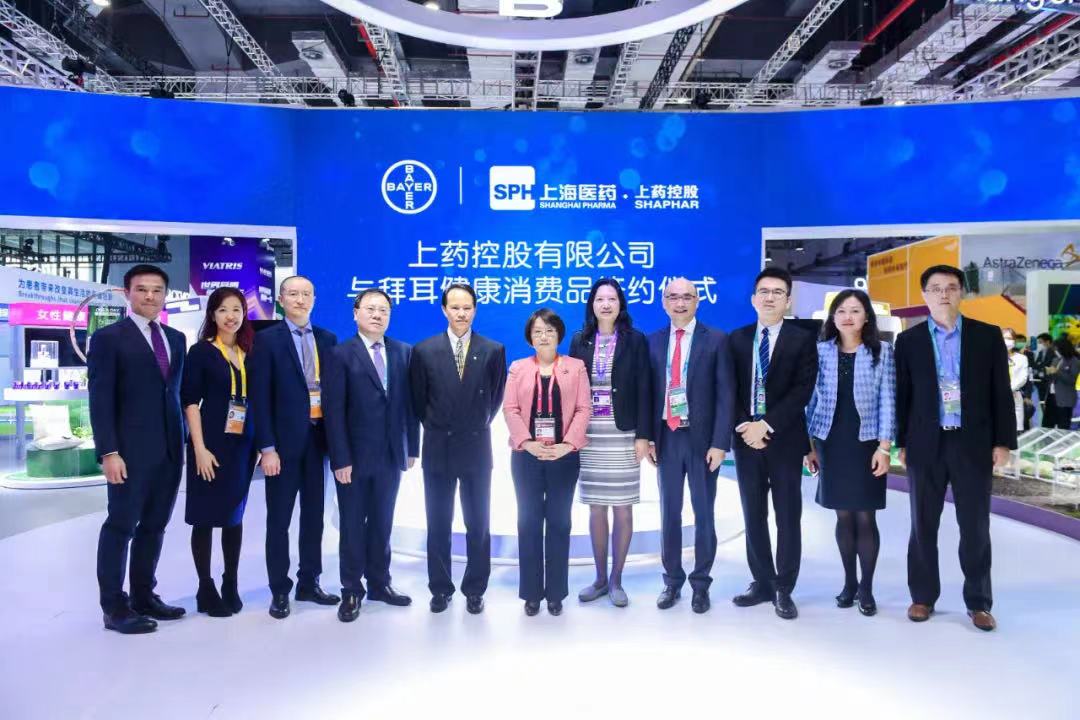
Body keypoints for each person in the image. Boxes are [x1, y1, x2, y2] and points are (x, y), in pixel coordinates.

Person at [895, 264, 1016, 632]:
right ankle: (922, 597)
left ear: (962, 292)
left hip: (972, 443)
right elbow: (903, 395)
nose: (943, 294)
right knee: (922, 524)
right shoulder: (909, 341)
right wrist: (901, 441)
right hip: (925, 443)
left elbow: (1000, 392)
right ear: (924, 295)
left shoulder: (986, 335)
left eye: (950, 287)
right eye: (935, 288)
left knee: (975, 526)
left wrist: (1003, 441)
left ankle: (979, 602)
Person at [90, 264, 187, 634]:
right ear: (127, 292)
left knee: (155, 526)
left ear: (165, 295)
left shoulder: (176, 338)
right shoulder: (109, 338)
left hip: (169, 450)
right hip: (128, 452)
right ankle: (115, 607)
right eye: (142, 289)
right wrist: (108, 451)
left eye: (157, 290)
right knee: (120, 526)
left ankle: (144, 595)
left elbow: (173, 393)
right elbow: (100, 398)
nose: (150, 296)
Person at [409, 283, 507, 614]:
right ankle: (440, 588)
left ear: (475, 310)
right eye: (455, 307)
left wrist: (474, 423)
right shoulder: (424, 350)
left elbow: (495, 399)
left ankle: (475, 588)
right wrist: (440, 425)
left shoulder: (493, 350)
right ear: (444, 310)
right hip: (438, 446)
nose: (461, 313)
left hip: (477, 446)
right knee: (438, 522)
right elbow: (419, 402)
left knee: (478, 523)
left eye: (467, 308)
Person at [324, 289, 420, 622]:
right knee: (352, 525)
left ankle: (380, 583)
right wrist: (340, 458)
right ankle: (351, 590)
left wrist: (412, 448)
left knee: (382, 522)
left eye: (383, 310)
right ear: (356, 313)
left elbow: (410, 405)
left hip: (391, 454)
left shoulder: (403, 352)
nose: (377, 315)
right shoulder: (340, 354)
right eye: (370, 309)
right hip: (353, 458)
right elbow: (333, 412)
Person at [728, 267, 817, 620]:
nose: (769, 297)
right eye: (764, 291)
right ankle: (762, 582)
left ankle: (784, 587)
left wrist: (766, 425)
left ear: (788, 300)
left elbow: (802, 390)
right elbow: (729, 389)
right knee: (753, 514)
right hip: (745, 440)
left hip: (785, 440)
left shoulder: (802, 339)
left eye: (777, 292)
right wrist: (745, 426)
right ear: (753, 299)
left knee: (787, 516)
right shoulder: (737, 339)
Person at [251, 276, 339, 619]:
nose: (300, 300)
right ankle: (279, 589)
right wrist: (267, 447)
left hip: (318, 442)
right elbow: (260, 398)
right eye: (293, 294)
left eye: (306, 294)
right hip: (282, 447)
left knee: (314, 517)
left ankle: (309, 581)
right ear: (281, 298)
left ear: (314, 298)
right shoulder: (266, 340)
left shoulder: (328, 340)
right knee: (279, 520)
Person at [646, 278, 735, 614]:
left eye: (687, 297)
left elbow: (726, 395)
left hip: (702, 442)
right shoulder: (653, 341)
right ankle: (672, 581)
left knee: (703, 514)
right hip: (666, 438)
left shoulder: (717, 340)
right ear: (663, 302)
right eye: (673, 297)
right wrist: (648, 436)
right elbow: (646, 393)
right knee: (669, 512)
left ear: (698, 301)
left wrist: (720, 443)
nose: (680, 303)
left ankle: (700, 584)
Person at [805, 289, 895, 617]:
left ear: (866, 317)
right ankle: (849, 583)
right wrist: (808, 445)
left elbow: (888, 400)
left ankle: (867, 587)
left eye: (855, 311)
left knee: (865, 515)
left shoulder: (882, 351)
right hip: (830, 440)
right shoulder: (819, 351)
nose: (847, 317)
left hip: (867, 442)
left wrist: (884, 447)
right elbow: (809, 399)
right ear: (833, 316)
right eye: (841, 311)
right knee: (842, 515)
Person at [568, 279, 652, 607]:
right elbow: (572, 389)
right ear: (592, 304)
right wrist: (571, 433)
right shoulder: (580, 340)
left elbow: (645, 388)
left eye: (612, 299)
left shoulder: (635, 340)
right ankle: (600, 578)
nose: (606, 304)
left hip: (623, 433)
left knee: (623, 506)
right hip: (590, 434)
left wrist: (643, 436)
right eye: (600, 299)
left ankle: (617, 579)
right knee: (596, 506)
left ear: (620, 304)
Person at [504, 309, 591, 616]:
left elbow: (583, 409)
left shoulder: (575, 367)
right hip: (526, 457)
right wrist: (527, 443)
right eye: (538, 331)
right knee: (528, 522)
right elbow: (510, 409)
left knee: (559, 522)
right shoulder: (518, 368)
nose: (544, 336)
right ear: (530, 337)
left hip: (563, 457)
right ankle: (531, 593)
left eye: (550, 331)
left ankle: (555, 593)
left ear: (559, 335)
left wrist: (567, 445)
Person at [181, 287, 257, 617]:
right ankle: (205, 586)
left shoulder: (249, 351)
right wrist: (198, 448)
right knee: (205, 517)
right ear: (212, 314)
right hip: (210, 444)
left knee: (233, 516)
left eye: (237, 309)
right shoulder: (201, 352)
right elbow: (190, 402)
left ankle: (230, 582)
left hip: (242, 447)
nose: (231, 316)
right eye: (224, 309)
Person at [1043, 336, 1079, 430]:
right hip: (1051, 395)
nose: (1055, 351)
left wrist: (1057, 372)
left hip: (1065, 398)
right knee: (1047, 423)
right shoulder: (1056, 360)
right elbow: (1051, 377)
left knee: (1063, 424)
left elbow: (1072, 380)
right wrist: (1048, 372)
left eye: (1057, 349)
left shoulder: (1074, 362)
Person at [1002, 328, 1029, 434]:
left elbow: (1023, 378)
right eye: (1004, 338)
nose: (1007, 341)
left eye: (1009, 338)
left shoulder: (1022, 358)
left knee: (1015, 430)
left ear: (1014, 341)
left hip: (1014, 394)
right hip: (996, 396)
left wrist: (1008, 390)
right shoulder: (993, 357)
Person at [1032, 332, 1054, 424]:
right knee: (1041, 401)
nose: (1039, 345)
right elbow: (1036, 364)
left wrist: (1041, 367)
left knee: (1048, 401)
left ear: (1047, 342)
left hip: (1049, 380)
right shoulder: (1041, 352)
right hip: (1039, 380)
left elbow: (1049, 364)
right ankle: (1044, 419)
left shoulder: (1053, 352)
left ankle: (1049, 420)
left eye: (1041, 342)